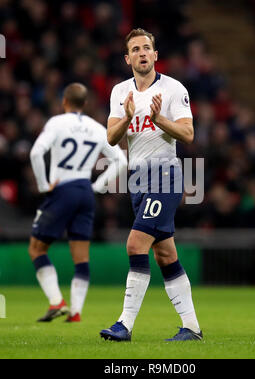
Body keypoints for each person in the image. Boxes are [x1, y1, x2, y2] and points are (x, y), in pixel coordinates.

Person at [100, 29, 202, 341]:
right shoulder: (119, 92)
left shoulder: (173, 89)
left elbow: (188, 134)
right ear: (127, 58)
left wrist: (160, 120)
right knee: (166, 255)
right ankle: (192, 329)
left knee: (135, 244)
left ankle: (124, 325)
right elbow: (111, 138)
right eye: (136, 49)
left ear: (155, 55)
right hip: (137, 179)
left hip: (166, 174)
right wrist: (128, 118)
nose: (143, 53)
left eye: (147, 48)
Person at [29, 83, 127, 322]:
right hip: (85, 191)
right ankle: (75, 312)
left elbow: (35, 153)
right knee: (81, 257)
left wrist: (43, 185)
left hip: (62, 189)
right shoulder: (96, 128)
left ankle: (56, 302)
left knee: (36, 248)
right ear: (85, 104)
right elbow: (121, 161)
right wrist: (97, 186)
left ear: (64, 101)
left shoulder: (56, 123)